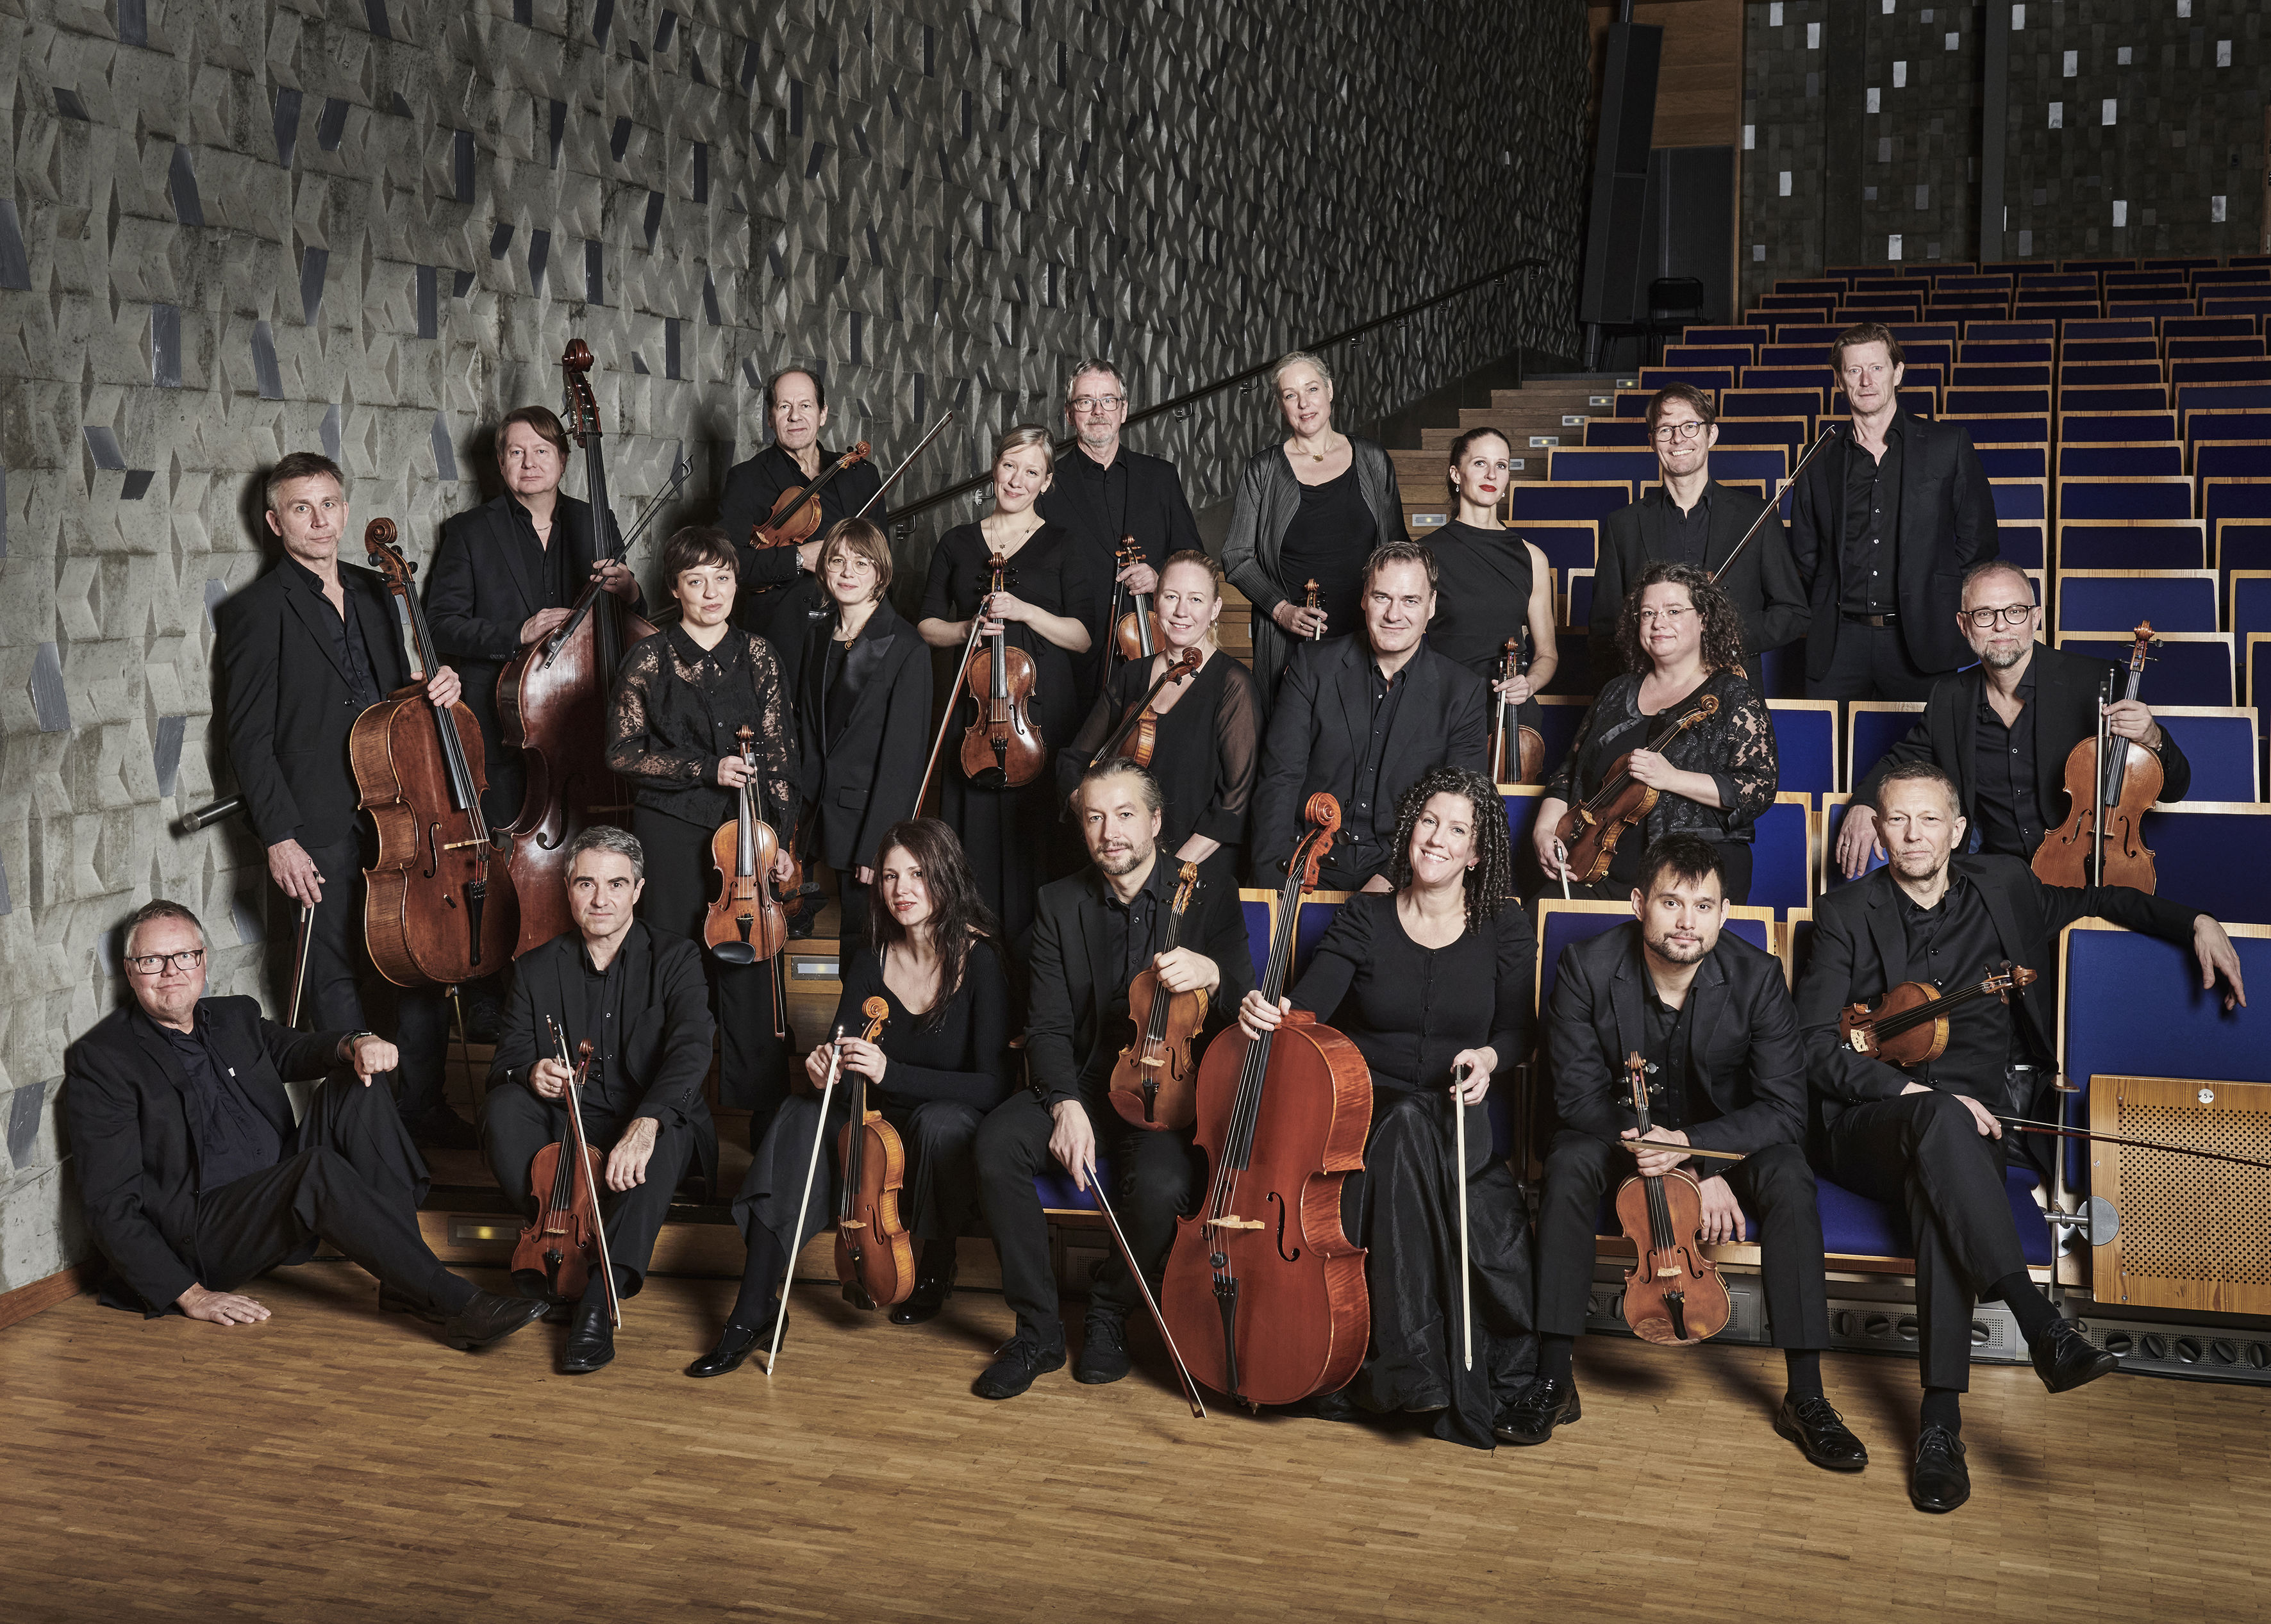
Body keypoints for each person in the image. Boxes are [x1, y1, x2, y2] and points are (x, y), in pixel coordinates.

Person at [1796, 761, 2248, 1513]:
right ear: (1877, 830)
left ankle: (1940, 1425)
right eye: (1897, 820)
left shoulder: (2004, 887)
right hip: (1868, 1121)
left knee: (1945, 1173)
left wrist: (2194, 918)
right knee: (1941, 1124)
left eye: (1929, 819)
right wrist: (1904, 1086)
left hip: (1973, 1128)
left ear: (1957, 829)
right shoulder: (1846, 911)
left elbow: (2105, 896)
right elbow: (1813, 1044)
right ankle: (2039, 1322)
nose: (1912, 834)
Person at [1506, 834, 1867, 1471]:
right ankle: (1553, 1378)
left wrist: (1700, 1161)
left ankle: (1806, 1395)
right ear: (1640, 902)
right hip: (1614, 1133)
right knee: (1566, 1166)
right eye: (1672, 902)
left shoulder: (1756, 977)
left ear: (1724, 914)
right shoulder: (1586, 966)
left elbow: (1785, 1109)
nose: (1687, 921)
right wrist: (1671, 1156)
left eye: (1703, 906)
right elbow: (1576, 1098)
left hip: (1726, 1139)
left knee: (1788, 1175)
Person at [64, 899, 544, 1350]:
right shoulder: (105, 1060)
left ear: (203, 961)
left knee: (359, 1083)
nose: (172, 972)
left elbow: (298, 1050)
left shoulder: (235, 1016)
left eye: (184, 956)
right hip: (204, 1232)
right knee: (314, 1169)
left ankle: (408, 1284)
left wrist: (358, 1042)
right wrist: (190, 1295)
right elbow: (110, 1206)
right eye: (153, 961)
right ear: (130, 972)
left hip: (277, 1193)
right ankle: (457, 1302)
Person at [1236, 766, 1538, 1449]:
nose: (1437, 838)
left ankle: (1406, 1368)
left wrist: (1489, 1060)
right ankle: (1410, 1368)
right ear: (1411, 829)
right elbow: (1307, 1005)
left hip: (1461, 1113)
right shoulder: (1365, 918)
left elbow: (1519, 1031)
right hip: (1365, 1114)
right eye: (1429, 820)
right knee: (1397, 1125)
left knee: (1408, 1126)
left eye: (1457, 829)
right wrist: (1271, 1011)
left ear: (1477, 851)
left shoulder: (1505, 924)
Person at [686, 819, 1017, 1377]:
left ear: (947, 877)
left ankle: (934, 1265)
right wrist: (825, 1068)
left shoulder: (979, 961)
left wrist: (892, 1071)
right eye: (889, 876)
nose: (901, 889)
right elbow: (841, 1048)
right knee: (795, 1115)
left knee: (941, 1124)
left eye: (917, 874)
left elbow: (992, 1085)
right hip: (873, 1113)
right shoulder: (871, 958)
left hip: (944, 1115)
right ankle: (754, 1309)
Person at [970, 760, 1254, 1400]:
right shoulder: (1058, 901)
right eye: (1095, 816)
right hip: (1084, 1078)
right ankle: (1039, 1330)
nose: (1109, 830)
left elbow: (1243, 1004)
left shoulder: (1206, 891)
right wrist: (1066, 1103)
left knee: (1163, 1183)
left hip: (1169, 1090)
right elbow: (1044, 1026)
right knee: (996, 1144)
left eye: (1125, 814)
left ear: (1155, 822)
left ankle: (1109, 1305)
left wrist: (1211, 970)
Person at [215, 451, 471, 1150]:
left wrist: (438, 682)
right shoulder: (256, 611)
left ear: (347, 510)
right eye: (301, 507)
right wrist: (278, 837)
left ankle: (424, 1107)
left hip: (398, 809)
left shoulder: (376, 590)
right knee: (332, 977)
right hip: (319, 822)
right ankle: (371, 1132)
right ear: (274, 522)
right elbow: (247, 737)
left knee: (415, 958)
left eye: (329, 503)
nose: (319, 519)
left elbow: (404, 696)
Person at [481, 825, 720, 1375]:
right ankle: (553, 1241)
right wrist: (531, 1070)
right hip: (568, 1120)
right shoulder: (537, 967)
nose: (600, 899)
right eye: (586, 884)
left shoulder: (677, 958)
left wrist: (647, 1122)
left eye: (615, 884)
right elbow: (506, 1059)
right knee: (502, 1107)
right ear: (568, 889)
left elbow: (689, 1050)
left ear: (637, 890)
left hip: (647, 1112)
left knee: (664, 1134)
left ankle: (597, 1296)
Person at [606, 526, 800, 1144]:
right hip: (669, 835)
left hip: (745, 839)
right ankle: (671, 1117)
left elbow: (779, 758)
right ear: (675, 588)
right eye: (696, 580)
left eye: (721, 577)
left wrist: (783, 842)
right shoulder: (649, 657)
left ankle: (760, 1119)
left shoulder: (762, 655)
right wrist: (703, 768)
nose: (710, 591)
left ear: (737, 583)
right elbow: (620, 752)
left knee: (747, 965)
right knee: (672, 967)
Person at [1839, 558, 2193, 877]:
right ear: (1964, 625)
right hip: (1998, 882)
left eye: (2015, 611)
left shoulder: (2098, 682)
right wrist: (1864, 803)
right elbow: (1902, 760)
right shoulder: (1951, 697)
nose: (2001, 627)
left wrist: (2153, 738)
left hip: (2088, 868)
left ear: (2036, 618)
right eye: (1984, 614)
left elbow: (2175, 789)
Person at [917, 425, 1107, 944]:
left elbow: (1085, 636)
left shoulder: (1065, 545)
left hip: (1042, 714)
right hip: (978, 712)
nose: (1016, 480)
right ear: (993, 467)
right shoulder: (956, 542)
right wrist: (965, 629)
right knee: (974, 841)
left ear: (1047, 481)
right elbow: (927, 623)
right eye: (1009, 466)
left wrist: (1024, 610)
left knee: (1039, 841)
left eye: (1031, 471)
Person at [423, 404, 645, 829]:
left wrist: (631, 592)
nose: (529, 463)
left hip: (584, 714)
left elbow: (625, 621)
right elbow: (440, 625)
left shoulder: (595, 521)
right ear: (501, 462)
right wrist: (517, 632)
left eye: (542, 451)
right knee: (510, 841)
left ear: (562, 459)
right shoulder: (468, 531)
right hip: (503, 723)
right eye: (515, 452)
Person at [1249, 540, 1488, 892]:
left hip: (1402, 877)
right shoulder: (1311, 666)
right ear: (1364, 599)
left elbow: (1459, 808)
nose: (1394, 614)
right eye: (1382, 597)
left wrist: (1396, 881)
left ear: (1431, 606)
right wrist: (1273, 880)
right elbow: (1280, 779)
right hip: (1303, 863)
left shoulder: (1462, 692)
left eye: (1410, 600)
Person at [1536, 563, 1777, 905]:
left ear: (1704, 620)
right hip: (1596, 866)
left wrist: (1672, 778)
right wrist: (1545, 830)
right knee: (1538, 916)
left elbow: (1758, 788)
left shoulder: (1732, 694)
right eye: (1648, 612)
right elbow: (1568, 771)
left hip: (1691, 877)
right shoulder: (1616, 692)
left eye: (1674, 611)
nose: (1658, 622)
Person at [1788, 322, 1999, 701]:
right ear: (1839, 380)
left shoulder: (1946, 445)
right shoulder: (1818, 455)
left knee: (1927, 759)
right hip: (1837, 642)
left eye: (1877, 368)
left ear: (1898, 373)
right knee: (1826, 756)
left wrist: (1936, 598)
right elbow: (1805, 549)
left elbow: (1978, 542)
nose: (1866, 380)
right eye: (1854, 370)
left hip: (1920, 640)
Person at [1060, 550, 1262, 897]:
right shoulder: (1132, 676)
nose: (1181, 611)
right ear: (1156, 602)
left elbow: (1234, 803)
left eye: (1196, 599)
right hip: (1122, 867)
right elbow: (1073, 759)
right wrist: (1098, 817)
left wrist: (1164, 875)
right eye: (1171, 597)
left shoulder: (1233, 684)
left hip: (1192, 869)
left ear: (1215, 609)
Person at [1223, 351, 1410, 711]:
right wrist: (1281, 612)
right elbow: (1236, 556)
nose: (1304, 403)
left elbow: (1398, 549)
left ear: (1329, 391)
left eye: (1311, 389)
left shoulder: (1371, 459)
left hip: (1365, 631)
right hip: (1291, 639)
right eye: (1291, 395)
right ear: (1281, 405)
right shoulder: (1264, 470)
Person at [1590, 384, 1808, 687]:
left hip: (1733, 685)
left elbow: (1792, 611)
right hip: (1651, 690)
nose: (1678, 438)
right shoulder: (1623, 525)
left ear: (1711, 435)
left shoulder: (1756, 516)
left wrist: (1725, 637)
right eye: (1665, 429)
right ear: (1653, 441)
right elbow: (1605, 626)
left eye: (1690, 426)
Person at [788, 518, 933, 957]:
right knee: (788, 927)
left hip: (865, 821)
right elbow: (805, 731)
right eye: (836, 561)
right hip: (811, 813)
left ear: (880, 573)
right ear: (824, 570)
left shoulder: (907, 646)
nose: (847, 572)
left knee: (863, 946)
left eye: (861, 562)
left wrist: (879, 846)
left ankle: (858, 1027)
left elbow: (902, 760)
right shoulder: (818, 633)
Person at [1033, 358, 1204, 710]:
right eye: (1085, 402)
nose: (1098, 411)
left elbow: (1195, 558)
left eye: (1108, 400)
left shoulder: (1160, 477)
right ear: (1069, 413)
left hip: (1153, 647)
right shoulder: (1048, 485)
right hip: (1074, 663)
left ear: (1123, 410)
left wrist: (1159, 574)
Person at [717, 366, 888, 646]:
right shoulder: (746, 479)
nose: (795, 416)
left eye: (805, 405)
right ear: (770, 418)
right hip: (782, 636)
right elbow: (726, 563)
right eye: (784, 406)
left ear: (822, 414)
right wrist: (798, 557)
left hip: (855, 632)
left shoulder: (861, 475)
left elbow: (883, 560)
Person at [1426, 428, 1559, 775]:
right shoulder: (1423, 555)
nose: (1491, 475)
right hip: (1442, 707)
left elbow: (1547, 655)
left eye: (1501, 465)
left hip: (1510, 713)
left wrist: (1529, 683)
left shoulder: (1532, 558)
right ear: (1457, 474)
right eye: (1480, 463)